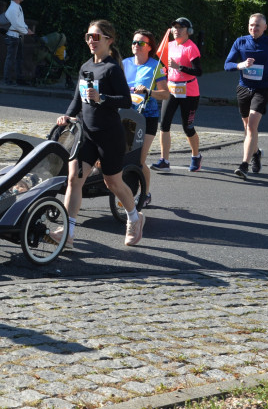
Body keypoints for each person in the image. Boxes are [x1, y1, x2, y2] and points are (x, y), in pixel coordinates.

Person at [54, 20, 144, 246]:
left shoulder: (112, 68)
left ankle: (134, 218)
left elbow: (125, 100)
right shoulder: (85, 66)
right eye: (88, 37)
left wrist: (102, 98)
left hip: (109, 134)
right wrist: (66, 116)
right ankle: (68, 232)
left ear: (109, 40)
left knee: (112, 183)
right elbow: (77, 98)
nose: (91, 41)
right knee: (74, 178)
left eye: (96, 37)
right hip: (86, 132)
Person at [224, 13, 268, 179]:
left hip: (263, 88)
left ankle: (244, 164)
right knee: (247, 128)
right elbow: (227, 64)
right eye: (251, 25)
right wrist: (241, 65)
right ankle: (256, 153)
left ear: (265, 27)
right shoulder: (241, 42)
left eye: (257, 25)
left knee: (252, 126)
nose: (254, 28)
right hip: (244, 88)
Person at [122, 29, 168, 207]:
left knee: (139, 159)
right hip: (126, 115)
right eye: (134, 42)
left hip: (147, 117)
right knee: (123, 154)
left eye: (140, 43)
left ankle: (146, 193)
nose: (135, 45)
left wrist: (149, 91)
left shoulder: (155, 66)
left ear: (149, 47)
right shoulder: (124, 63)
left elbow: (165, 94)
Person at [151, 17, 203, 172]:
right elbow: (165, 65)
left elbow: (199, 71)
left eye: (180, 28)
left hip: (189, 91)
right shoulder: (170, 45)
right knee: (164, 124)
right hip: (172, 89)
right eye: (174, 28)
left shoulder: (191, 48)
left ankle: (196, 156)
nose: (176, 30)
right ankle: (164, 160)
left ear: (188, 31)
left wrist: (180, 67)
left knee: (188, 127)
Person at [2, 0, 33, 86]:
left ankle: (19, 79)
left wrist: (26, 29)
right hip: (13, 36)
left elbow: (21, 21)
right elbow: (16, 24)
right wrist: (25, 31)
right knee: (11, 59)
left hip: (17, 36)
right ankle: (7, 80)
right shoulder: (13, 8)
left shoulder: (17, 7)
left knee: (19, 59)